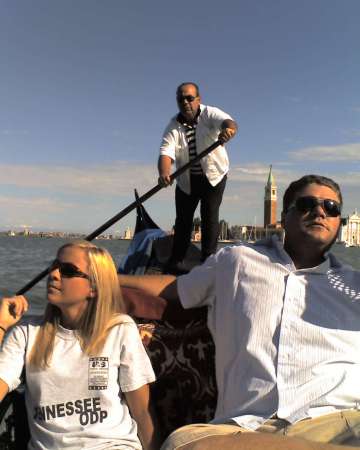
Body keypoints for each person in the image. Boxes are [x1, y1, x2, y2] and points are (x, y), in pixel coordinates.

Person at [120, 174, 360, 450]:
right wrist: (106, 277)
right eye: (307, 204)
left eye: (331, 208)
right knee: (183, 443)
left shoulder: (354, 286)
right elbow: (175, 287)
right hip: (244, 429)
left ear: (338, 222)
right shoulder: (237, 261)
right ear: (284, 217)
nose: (320, 211)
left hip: (337, 423)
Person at [0, 240, 159, 450]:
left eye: (67, 270)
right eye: (54, 266)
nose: (54, 274)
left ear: (93, 287)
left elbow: (142, 412)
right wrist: (1, 325)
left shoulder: (119, 329)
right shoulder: (26, 333)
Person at [158, 82, 237, 273]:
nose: (185, 102)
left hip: (214, 176)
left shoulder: (209, 113)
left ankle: (209, 263)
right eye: (181, 99)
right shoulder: (173, 126)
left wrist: (228, 130)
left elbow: (228, 122)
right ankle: (177, 260)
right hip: (187, 181)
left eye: (189, 98)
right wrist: (164, 173)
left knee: (209, 216)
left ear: (198, 99)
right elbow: (165, 153)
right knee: (183, 220)